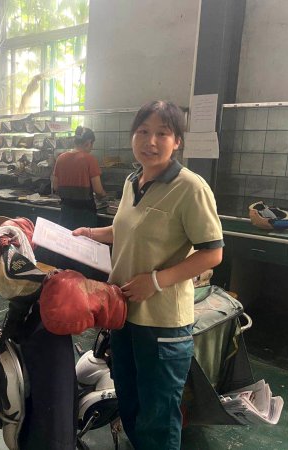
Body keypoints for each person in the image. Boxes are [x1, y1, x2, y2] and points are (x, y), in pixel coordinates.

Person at [72, 101, 224, 449]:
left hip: (162, 323)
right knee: (130, 402)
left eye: (162, 133)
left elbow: (212, 253)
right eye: (143, 131)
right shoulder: (133, 181)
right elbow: (127, 229)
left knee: (158, 415)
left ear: (177, 141)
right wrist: (91, 234)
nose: (150, 141)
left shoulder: (190, 187)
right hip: (123, 313)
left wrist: (155, 282)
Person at [52, 126, 107, 278]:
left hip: (66, 212)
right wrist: (104, 195)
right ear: (88, 142)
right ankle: (83, 287)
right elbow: (98, 190)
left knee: (64, 251)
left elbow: (55, 186)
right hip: (85, 214)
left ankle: (62, 284)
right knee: (84, 256)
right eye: (92, 144)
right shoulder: (89, 159)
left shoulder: (61, 158)